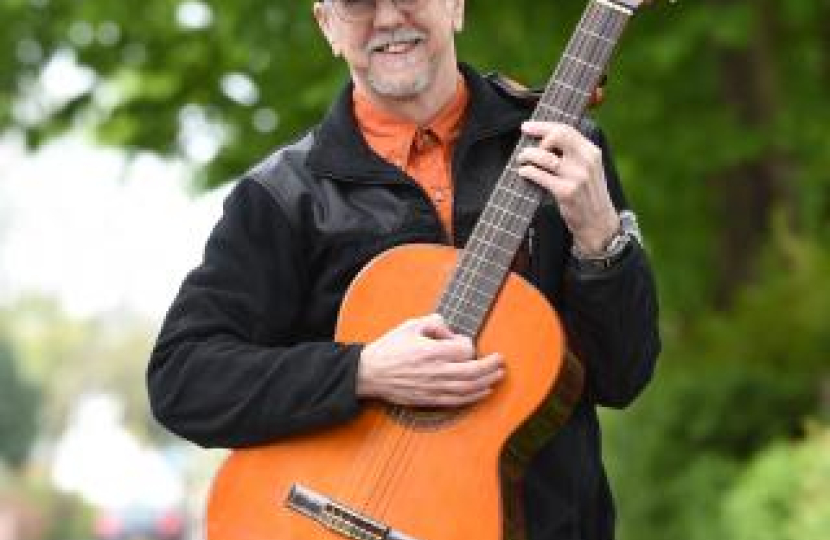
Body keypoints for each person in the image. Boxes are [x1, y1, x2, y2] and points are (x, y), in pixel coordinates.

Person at [147, 0, 660, 539]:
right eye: (358, 3)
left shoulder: (564, 153)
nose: (389, 18)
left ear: (455, 6)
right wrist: (361, 371)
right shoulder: (284, 196)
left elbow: (622, 376)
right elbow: (183, 378)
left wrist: (600, 239)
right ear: (328, 25)